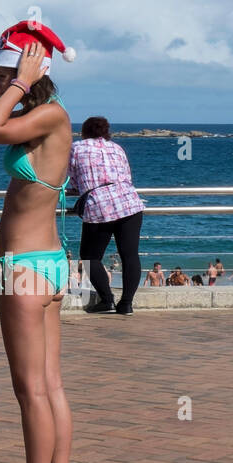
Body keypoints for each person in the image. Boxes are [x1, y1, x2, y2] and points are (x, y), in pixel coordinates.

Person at [0, 22, 76, 463]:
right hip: (45, 265)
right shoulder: (39, 115)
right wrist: (5, 82)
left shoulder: (51, 116)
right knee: (49, 386)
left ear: (31, 72)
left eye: (5, 72)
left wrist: (15, 82)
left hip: (26, 268)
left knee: (32, 390)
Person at [67, 117, 145, 315]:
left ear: (84, 131)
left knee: (89, 256)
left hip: (99, 204)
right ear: (106, 131)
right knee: (129, 255)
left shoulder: (76, 148)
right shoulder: (117, 148)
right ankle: (126, 303)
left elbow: (72, 178)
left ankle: (106, 299)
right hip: (129, 202)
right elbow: (127, 175)